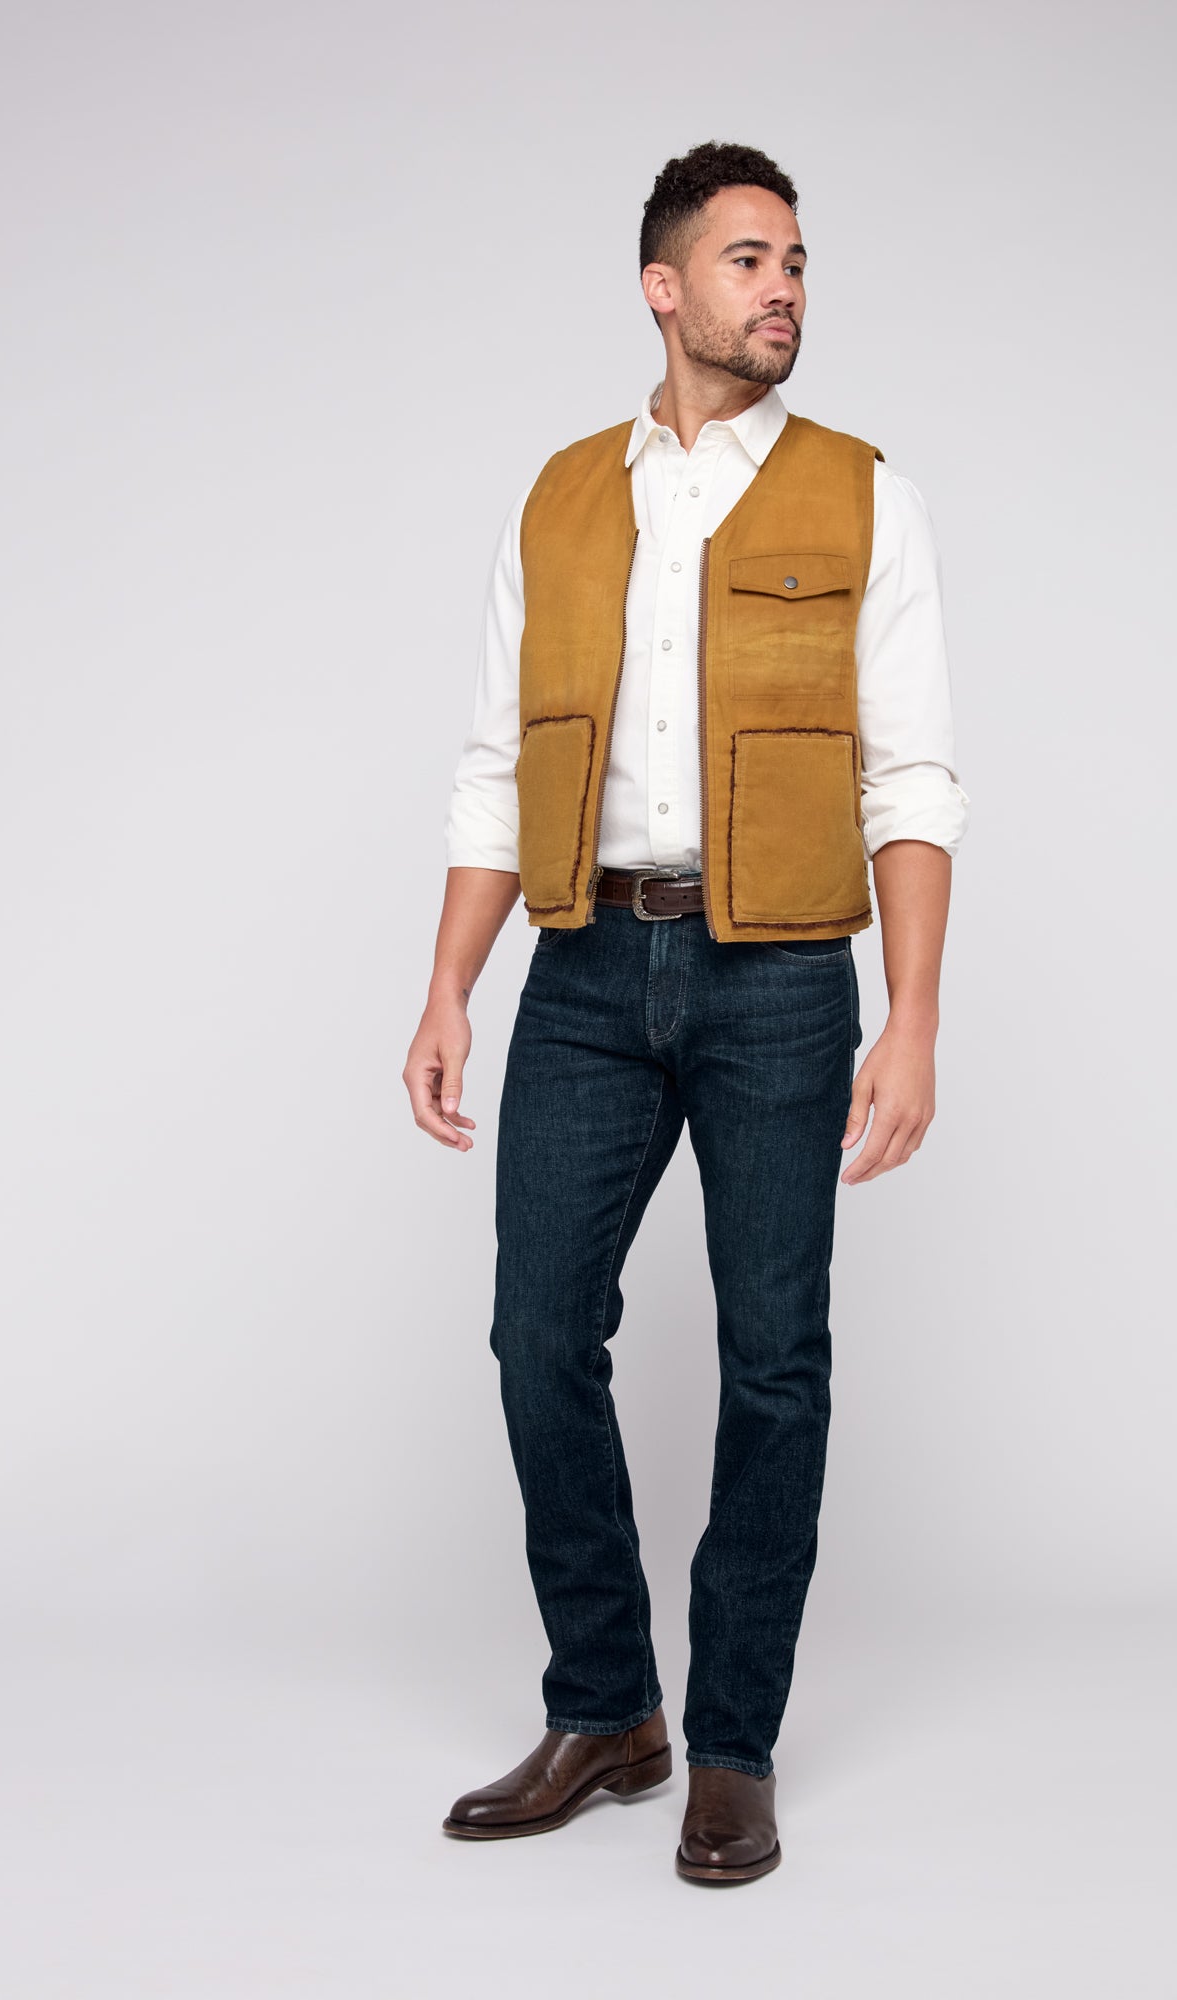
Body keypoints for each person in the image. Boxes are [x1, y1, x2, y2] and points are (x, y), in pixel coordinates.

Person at [403, 140, 969, 1885]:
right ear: (664, 288)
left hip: (781, 977)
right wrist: (447, 985)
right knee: (536, 1335)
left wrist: (912, 1017)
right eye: (746, 259)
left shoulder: (864, 493)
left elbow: (912, 776)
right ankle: (607, 1709)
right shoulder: (561, 496)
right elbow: (498, 765)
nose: (781, 287)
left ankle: (732, 1744)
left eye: (795, 261)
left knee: (774, 1361)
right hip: (583, 966)